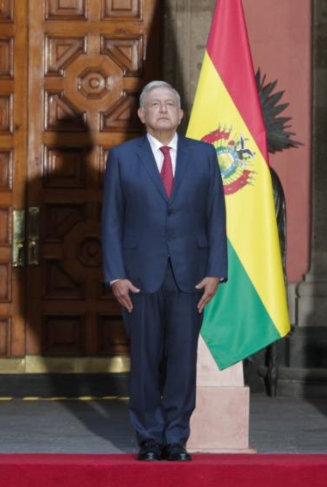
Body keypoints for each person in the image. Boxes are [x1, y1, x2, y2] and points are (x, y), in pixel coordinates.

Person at [101, 80, 228, 462]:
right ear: (141, 114)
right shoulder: (123, 157)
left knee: (182, 362)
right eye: (154, 104)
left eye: (169, 104)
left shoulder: (203, 155)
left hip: (191, 275)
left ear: (181, 114)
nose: (162, 110)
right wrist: (116, 275)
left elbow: (215, 216)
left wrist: (216, 270)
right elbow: (111, 221)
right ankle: (149, 439)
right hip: (138, 278)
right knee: (144, 361)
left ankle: (176, 438)